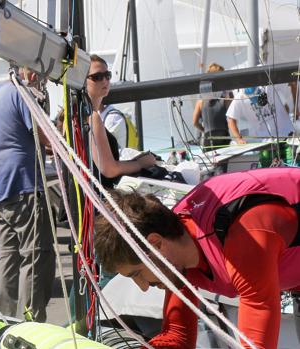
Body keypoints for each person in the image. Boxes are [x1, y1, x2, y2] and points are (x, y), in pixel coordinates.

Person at [93, 168, 300, 348]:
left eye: (137, 273)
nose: (143, 287)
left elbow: (256, 342)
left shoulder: (245, 233)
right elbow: (177, 336)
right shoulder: (178, 250)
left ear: (155, 244)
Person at [0, 66, 55, 322]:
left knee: (9, 257)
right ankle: (32, 321)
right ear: (28, 72)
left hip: (0, 191)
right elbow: (44, 135)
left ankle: (6, 318)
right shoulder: (21, 93)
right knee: (36, 254)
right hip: (25, 186)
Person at [87, 55, 156, 188]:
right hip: (95, 200)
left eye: (107, 75)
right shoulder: (92, 117)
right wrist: (140, 163)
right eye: (97, 77)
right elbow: (108, 169)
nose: (105, 81)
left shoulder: (78, 114)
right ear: (83, 81)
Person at [226, 85, 294, 145]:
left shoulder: (268, 86)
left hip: (286, 134)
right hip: (264, 141)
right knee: (267, 159)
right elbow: (230, 118)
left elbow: (291, 83)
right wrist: (239, 139)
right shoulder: (240, 97)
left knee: (290, 158)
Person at [192, 63, 233, 151]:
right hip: (223, 136)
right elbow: (232, 115)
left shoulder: (200, 101)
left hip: (208, 137)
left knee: (212, 164)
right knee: (224, 163)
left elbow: (195, 122)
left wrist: (205, 131)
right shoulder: (226, 98)